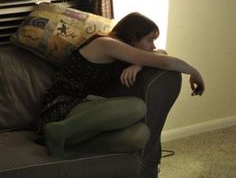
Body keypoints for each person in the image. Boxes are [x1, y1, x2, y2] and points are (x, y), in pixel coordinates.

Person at [35, 12, 205, 165]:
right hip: (60, 110)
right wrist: (194, 72)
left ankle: (66, 145)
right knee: (136, 107)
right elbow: (164, 61)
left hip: (85, 119)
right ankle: (58, 131)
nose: (153, 46)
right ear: (133, 37)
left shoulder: (123, 52)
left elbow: (161, 52)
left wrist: (138, 64)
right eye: (149, 40)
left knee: (140, 135)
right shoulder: (105, 44)